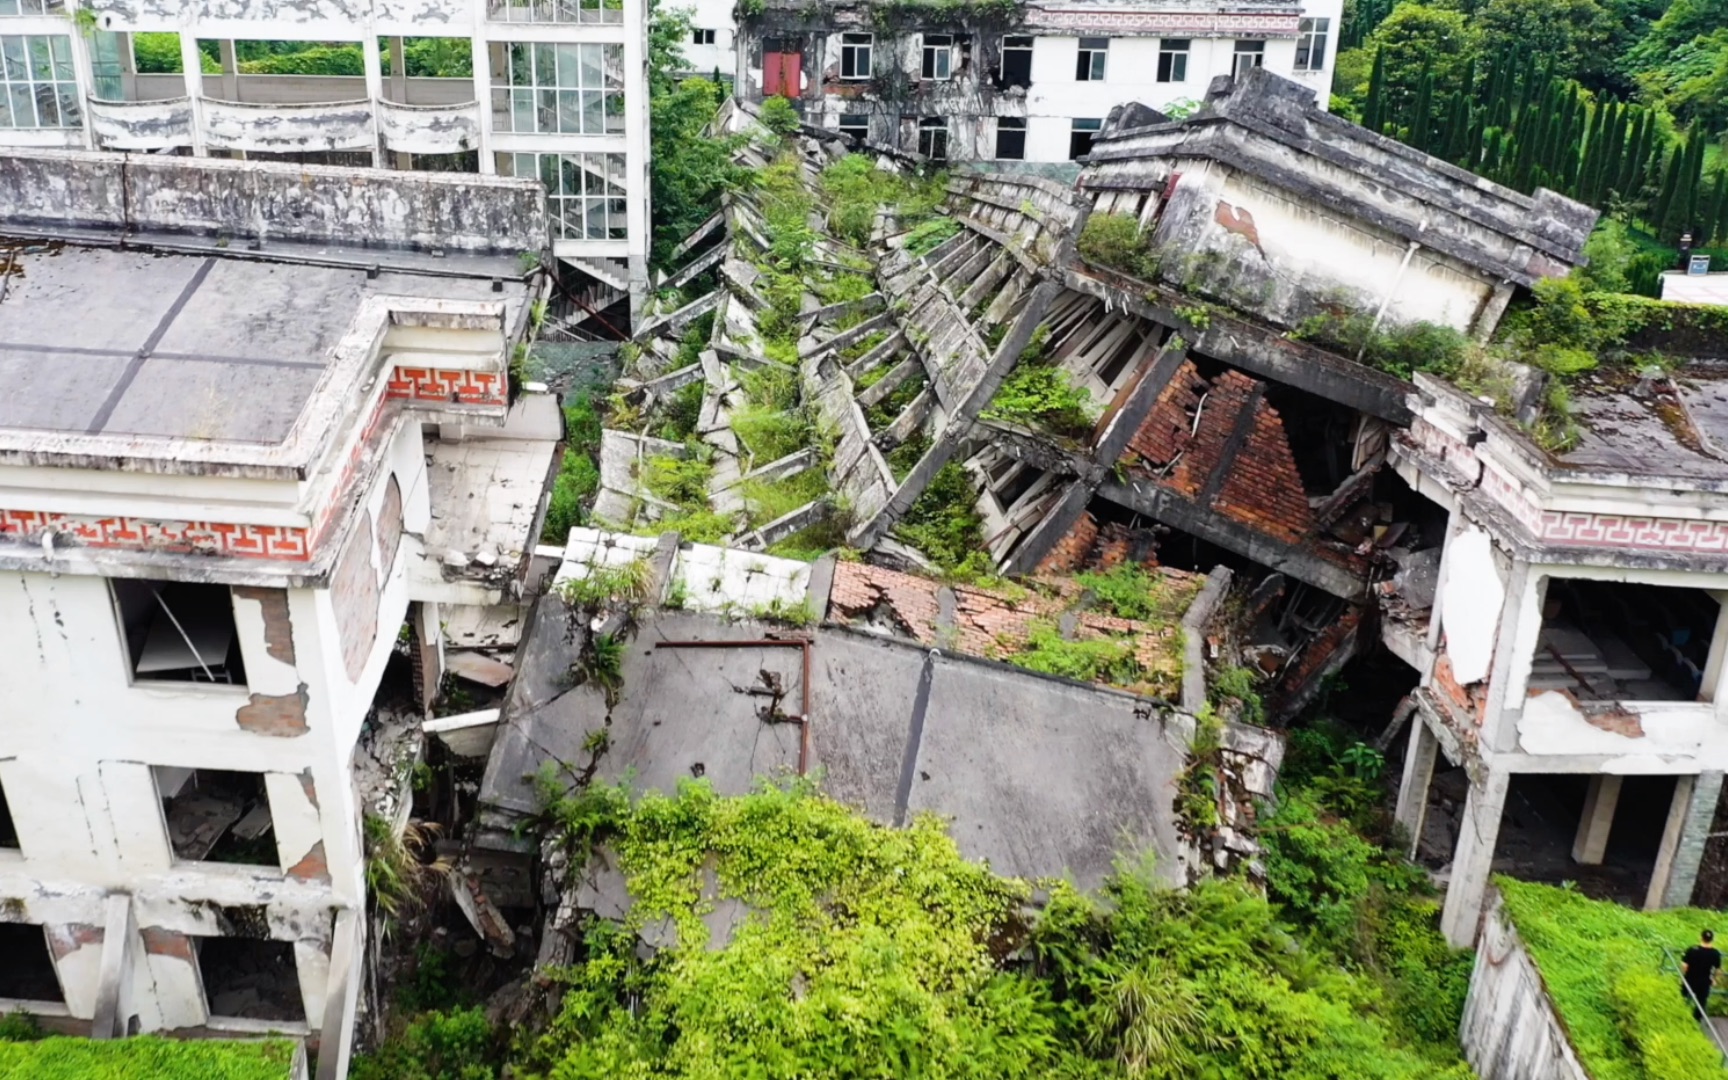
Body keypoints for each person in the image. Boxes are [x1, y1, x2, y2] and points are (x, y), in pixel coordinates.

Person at [1682, 929, 1721, 1020]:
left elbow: (1684, 965)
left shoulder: (1692, 950)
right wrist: (1713, 979)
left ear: (1701, 937)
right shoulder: (1715, 953)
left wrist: (1684, 975)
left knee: (1683, 998)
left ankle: (1681, 1017)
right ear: (1712, 939)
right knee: (1701, 1002)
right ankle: (1696, 1020)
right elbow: (1717, 970)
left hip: (1689, 979)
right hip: (1705, 981)